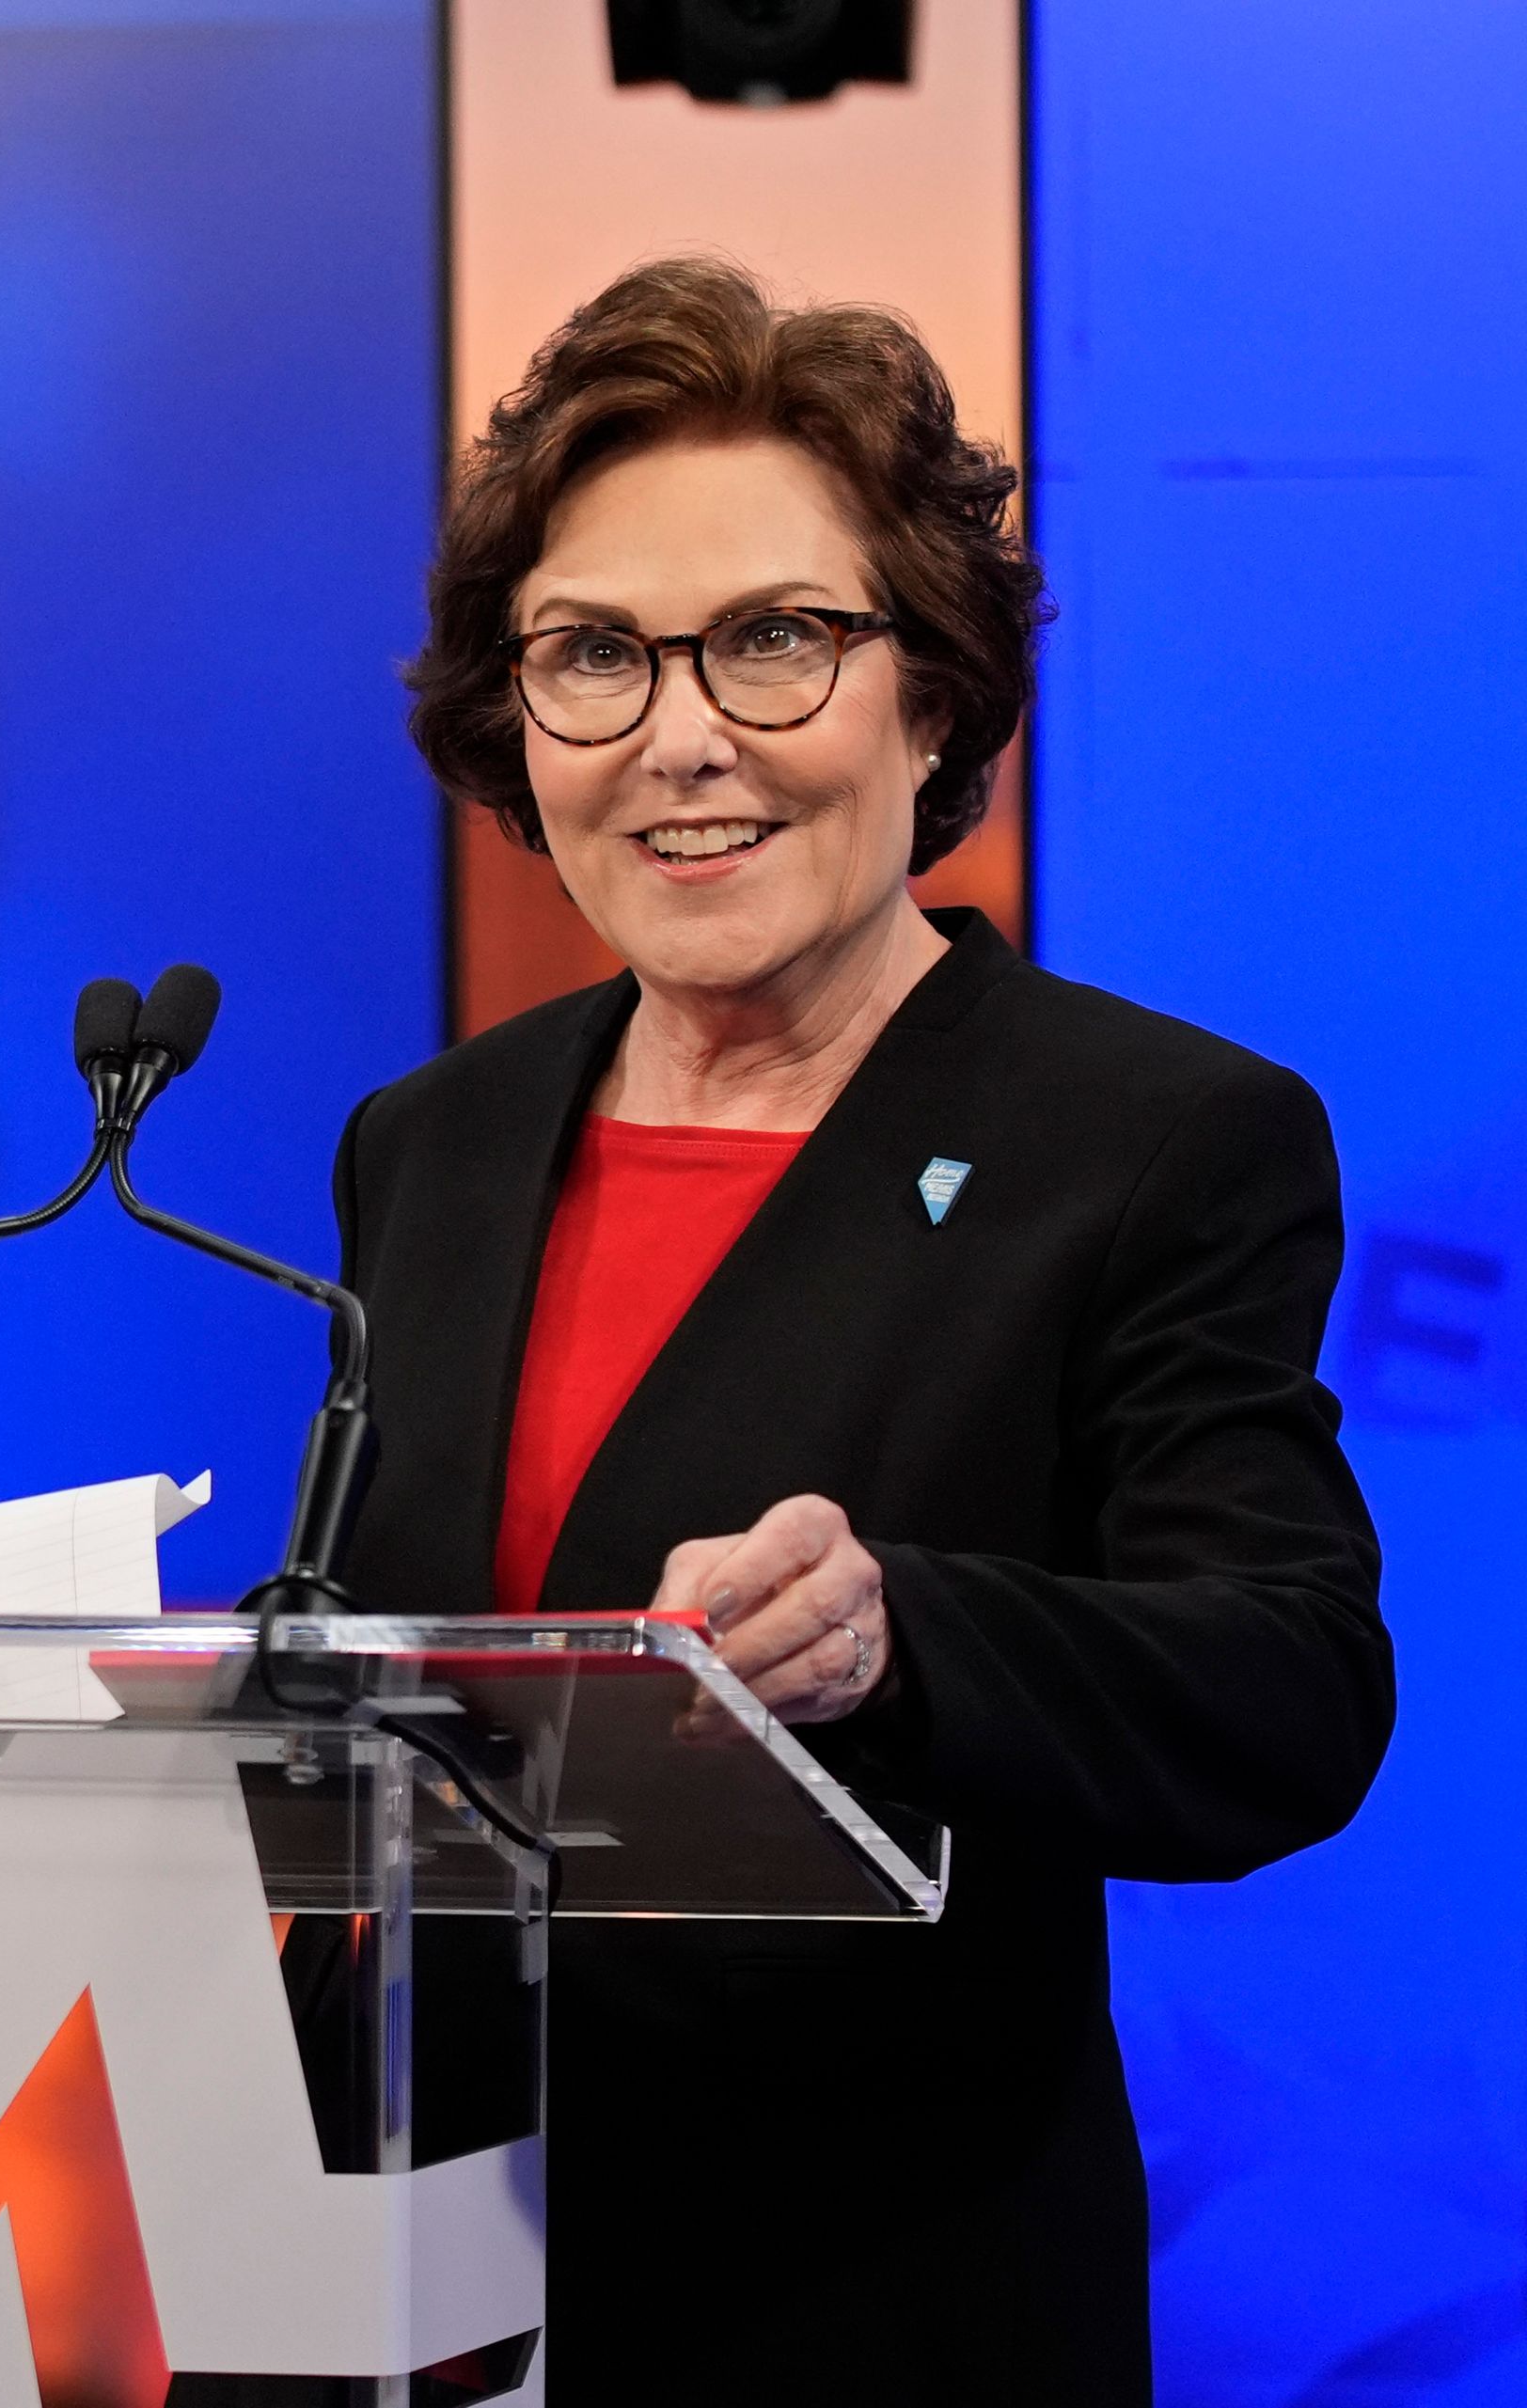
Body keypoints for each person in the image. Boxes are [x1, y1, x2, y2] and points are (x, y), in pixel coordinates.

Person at [346, 257, 1392, 2401]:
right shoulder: (429, 1147)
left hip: (873, 2306)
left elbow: (1288, 1684)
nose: (684, 735)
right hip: (414, 2291)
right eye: (593, 658)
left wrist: (906, 1635)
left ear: (931, 697)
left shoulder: (1154, 1138)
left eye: (780, 640)